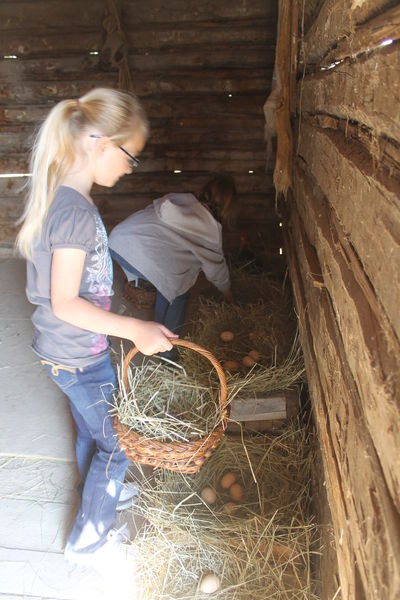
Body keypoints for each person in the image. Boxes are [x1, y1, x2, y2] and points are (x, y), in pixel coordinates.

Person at [15, 87, 177, 570]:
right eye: (131, 156)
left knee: (94, 429)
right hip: (75, 356)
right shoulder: (73, 211)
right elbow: (66, 301)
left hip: (71, 352)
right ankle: (88, 541)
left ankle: (98, 491)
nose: (130, 166)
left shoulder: (69, 201)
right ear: (100, 142)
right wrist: (134, 328)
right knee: (119, 441)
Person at [108, 174, 238, 360]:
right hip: (139, 255)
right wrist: (229, 296)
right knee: (179, 292)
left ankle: (149, 335)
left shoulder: (178, 199)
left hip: (119, 239)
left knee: (171, 279)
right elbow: (217, 271)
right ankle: (168, 351)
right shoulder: (211, 231)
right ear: (228, 208)